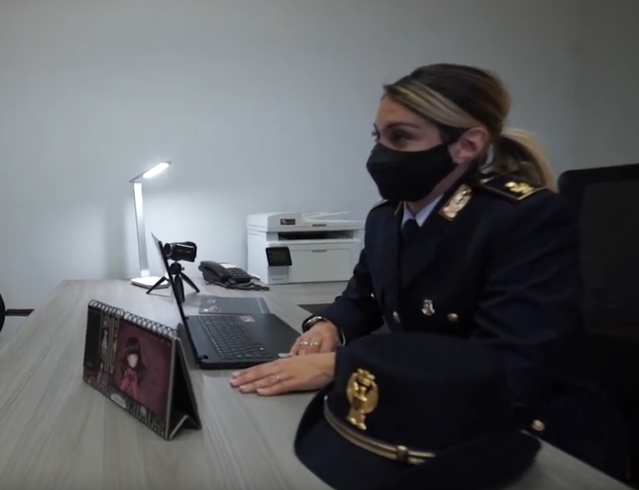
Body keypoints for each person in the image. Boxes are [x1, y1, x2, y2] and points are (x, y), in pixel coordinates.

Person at [230, 64, 628, 479]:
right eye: (378, 136)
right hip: (425, 420)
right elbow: (362, 295)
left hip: (532, 434)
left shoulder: (525, 218)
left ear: (467, 145)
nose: (379, 154)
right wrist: (328, 325)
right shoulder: (387, 219)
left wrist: (339, 367)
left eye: (400, 137)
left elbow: (509, 363)